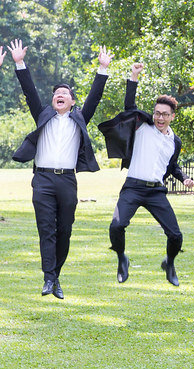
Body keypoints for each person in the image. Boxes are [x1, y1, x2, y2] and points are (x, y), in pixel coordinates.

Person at [7, 39, 111, 299]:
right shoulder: (43, 115)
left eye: (64, 93)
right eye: (56, 94)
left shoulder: (79, 119)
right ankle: (48, 278)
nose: (59, 95)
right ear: (53, 100)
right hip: (42, 179)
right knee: (46, 229)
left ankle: (56, 276)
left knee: (65, 229)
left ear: (72, 102)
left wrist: (102, 69)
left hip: (67, 181)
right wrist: (19, 63)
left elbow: (95, 98)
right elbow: (30, 91)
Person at [98, 63, 194, 286]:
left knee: (176, 236)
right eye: (157, 113)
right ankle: (122, 258)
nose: (160, 118)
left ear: (172, 116)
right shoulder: (142, 127)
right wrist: (134, 76)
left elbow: (172, 166)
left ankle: (169, 263)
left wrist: (183, 178)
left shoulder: (174, 141)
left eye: (165, 114)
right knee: (116, 226)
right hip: (133, 187)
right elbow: (130, 105)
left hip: (156, 192)